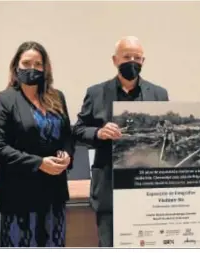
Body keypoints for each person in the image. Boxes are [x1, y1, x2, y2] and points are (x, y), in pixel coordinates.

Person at [73, 36, 169, 247]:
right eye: (127, 57)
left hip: (146, 186)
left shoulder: (159, 94)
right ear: (115, 60)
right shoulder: (96, 93)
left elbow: (166, 137)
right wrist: (98, 132)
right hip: (109, 186)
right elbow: (78, 130)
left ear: (143, 61)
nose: (132, 61)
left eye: (137, 57)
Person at [0, 41, 74, 247]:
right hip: (20, 194)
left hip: (54, 192)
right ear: (16, 66)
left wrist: (67, 154)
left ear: (45, 68)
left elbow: (68, 137)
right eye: (26, 63)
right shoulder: (5, 99)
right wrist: (39, 163)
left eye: (38, 64)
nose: (32, 68)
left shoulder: (56, 97)